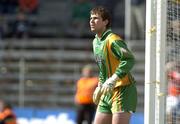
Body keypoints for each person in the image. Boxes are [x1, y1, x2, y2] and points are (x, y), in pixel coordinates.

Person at [89, 6, 137, 124]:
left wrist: (114, 79)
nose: (91, 21)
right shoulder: (95, 42)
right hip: (107, 90)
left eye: (95, 18)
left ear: (105, 22)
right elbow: (103, 68)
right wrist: (100, 85)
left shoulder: (113, 40)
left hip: (122, 90)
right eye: (90, 18)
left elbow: (129, 59)